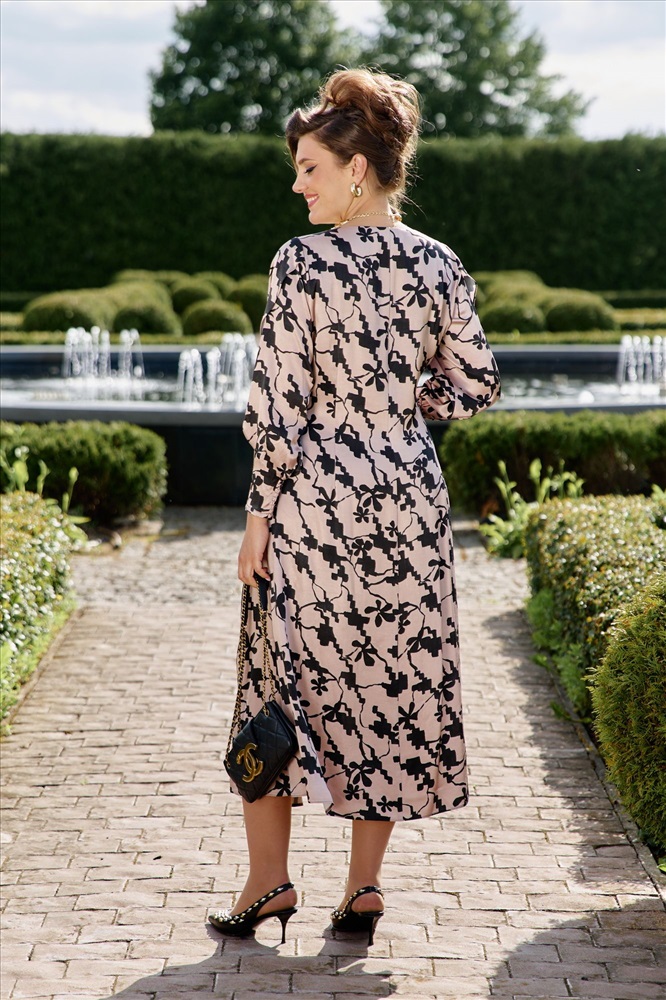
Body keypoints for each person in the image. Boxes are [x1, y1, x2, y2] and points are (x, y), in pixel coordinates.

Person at [209, 67, 501, 946]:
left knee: (276, 683)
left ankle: (268, 884)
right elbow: (479, 383)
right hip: (409, 499)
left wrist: (257, 518)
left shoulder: (301, 263)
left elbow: (278, 408)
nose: (299, 186)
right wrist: (406, 410)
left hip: (316, 504)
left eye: (310, 169)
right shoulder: (439, 262)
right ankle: (363, 888)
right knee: (388, 684)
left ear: (358, 169)